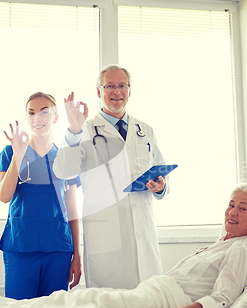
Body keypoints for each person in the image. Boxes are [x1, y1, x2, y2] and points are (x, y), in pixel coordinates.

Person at [0, 185, 247, 308]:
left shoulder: (243, 252)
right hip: (149, 290)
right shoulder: (220, 244)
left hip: (158, 299)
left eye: (242, 208)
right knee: (68, 303)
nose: (231, 212)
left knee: (73, 307)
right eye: (230, 204)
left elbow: (221, 301)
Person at [53, 65, 169, 289]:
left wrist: (161, 187)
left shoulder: (144, 130)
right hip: (106, 239)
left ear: (130, 90)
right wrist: (74, 129)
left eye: (122, 86)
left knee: (150, 307)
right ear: (99, 92)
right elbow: (64, 171)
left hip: (143, 235)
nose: (117, 91)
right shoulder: (83, 130)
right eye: (110, 86)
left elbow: (162, 174)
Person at [0, 92, 81, 300]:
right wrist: (18, 156)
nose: (37, 118)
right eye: (31, 113)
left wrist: (77, 255)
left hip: (58, 248)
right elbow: (4, 196)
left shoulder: (64, 157)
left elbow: (73, 211)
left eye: (44, 112)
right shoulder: (10, 152)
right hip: (21, 246)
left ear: (56, 118)